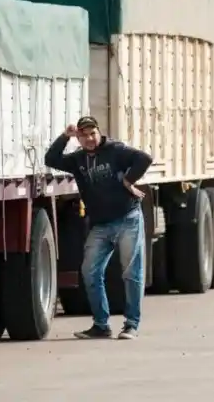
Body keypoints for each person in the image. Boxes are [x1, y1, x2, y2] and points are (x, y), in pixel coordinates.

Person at [44, 116, 153, 340]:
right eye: (84, 135)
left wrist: (128, 180)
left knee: (131, 273)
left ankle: (131, 324)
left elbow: (144, 158)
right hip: (100, 225)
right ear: (79, 138)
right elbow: (51, 158)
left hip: (127, 218)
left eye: (93, 133)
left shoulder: (116, 150)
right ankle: (101, 325)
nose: (90, 139)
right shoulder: (77, 160)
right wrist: (65, 136)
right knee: (90, 272)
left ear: (99, 132)